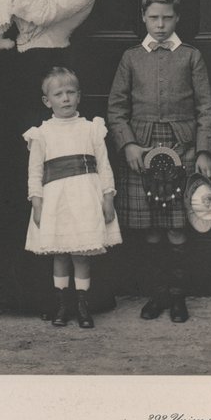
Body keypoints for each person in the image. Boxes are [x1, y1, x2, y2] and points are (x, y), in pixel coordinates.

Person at [0, 0, 114, 318]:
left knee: (52, 183)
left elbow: (40, 12)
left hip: (46, 71)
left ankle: (58, 295)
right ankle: (14, 291)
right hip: (13, 73)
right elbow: (7, 8)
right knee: (11, 174)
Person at [107, 0, 211, 323]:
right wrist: (128, 144)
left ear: (177, 17)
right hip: (143, 152)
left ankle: (178, 297)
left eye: (167, 18)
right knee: (151, 228)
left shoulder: (191, 57)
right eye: (154, 18)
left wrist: (203, 151)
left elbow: (206, 109)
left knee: (177, 227)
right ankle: (157, 295)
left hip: (182, 149)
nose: (160, 25)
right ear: (143, 16)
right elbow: (116, 109)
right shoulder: (131, 58)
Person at [24, 67, 122, 328]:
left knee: (81, 254)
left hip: (86, 199)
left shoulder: (91, 129)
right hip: (56, 200)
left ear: (79, 96)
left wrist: (108, 197)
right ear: (48, 101)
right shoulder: (41, 133)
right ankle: (62, 305)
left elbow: (104, 165)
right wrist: (37, 202)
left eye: (70, 92)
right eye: (58, 94)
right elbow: (34, 172)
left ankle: (82, 305)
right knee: (60, 254)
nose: (65, 98)